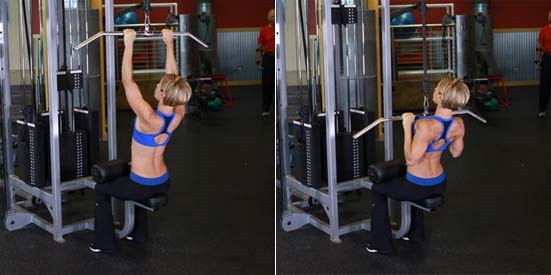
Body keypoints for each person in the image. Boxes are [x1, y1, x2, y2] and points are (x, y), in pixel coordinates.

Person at [90, 29, 192, 254]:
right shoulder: (178, 113)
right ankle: (139, 234)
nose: (157, 85)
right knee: (130, 173)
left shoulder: (149, 117)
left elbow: (127, 81)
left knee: (101, 188)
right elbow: (173, 79)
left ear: (162, 94)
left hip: (142, 185)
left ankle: (102, 243)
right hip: (163, 181)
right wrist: (168, 43)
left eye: (159, 86)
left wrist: (128, 44)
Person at [366, 76, 470, 254]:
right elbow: (455, 153)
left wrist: (408, 127)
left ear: (440, 96)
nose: (435, 89)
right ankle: (416, 233)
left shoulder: (426, 126)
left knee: (378, 189)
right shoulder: (458, 124)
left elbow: (411, 159)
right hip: (439, 182)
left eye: (437, 88)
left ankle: (380, 243)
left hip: (417, 185)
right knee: (406, 178)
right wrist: (447, 137)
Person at [256, 8, 275, 117]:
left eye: (275, 16)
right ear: (269, 18)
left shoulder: (279, 28)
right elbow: (259, 47)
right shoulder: (263, 30)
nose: (274, 18)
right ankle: (266, 109)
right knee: (267, 85)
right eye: (272, 16)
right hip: (268, 58)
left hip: (278, 57)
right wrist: (258, 61)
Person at [536, 10, 551, 118]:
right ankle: (542, 109)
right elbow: (539, 47)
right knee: (545, 85)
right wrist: (537, 61)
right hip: (547, 58)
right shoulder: (544, 30)